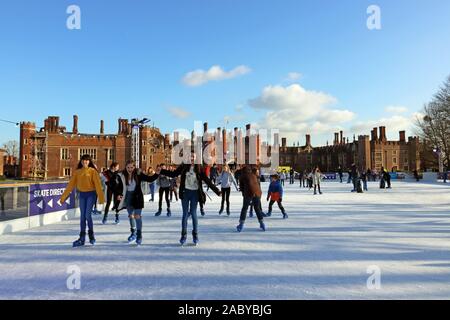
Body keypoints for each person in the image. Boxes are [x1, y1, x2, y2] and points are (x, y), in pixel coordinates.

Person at [159, 155, 221, 246]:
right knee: (184, 214)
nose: (192, 159)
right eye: (190, 157)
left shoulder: (199, 169)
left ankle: (195, 234)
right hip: (185, 193)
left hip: (194, 194)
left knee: (193, 213)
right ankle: (183, 235)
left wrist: (217, 191)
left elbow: (208, 181)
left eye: (194, 158)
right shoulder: (184, 167)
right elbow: (173, 174)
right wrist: (161, 171)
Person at [60, 154, 105, 247]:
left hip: (91, 194)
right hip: (82, 195)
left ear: (89, 162)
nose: (85, 162)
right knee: (82, 217)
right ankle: (82, 238)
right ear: (81, 161)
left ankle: (91, 235)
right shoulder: (77, 172)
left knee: (88, 215)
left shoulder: (93, 171)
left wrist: (101, 198)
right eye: (84, 160)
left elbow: (98, 185)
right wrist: (63, 197)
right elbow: (70, 185)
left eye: (87, 160)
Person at [115, 160, 160, 246]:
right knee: (131, 216)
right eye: (128, 167)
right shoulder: (122, 175)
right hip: (128, 197)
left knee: (137, 216)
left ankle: (139, 234)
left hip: (137, 197)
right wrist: (119, 194)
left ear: (134, 167)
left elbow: (149, 179)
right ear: (125, 167)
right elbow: (119, 187)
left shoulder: (138, 174)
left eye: (131, 167)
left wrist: (157, 174)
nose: (130, 169)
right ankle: (133, 232)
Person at [237, 165, 266, 232]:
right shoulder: (253, 175)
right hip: (257, 193)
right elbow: (256, 185)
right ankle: (262, 223)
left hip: (248, 193)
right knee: (257, 208)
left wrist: (243, 194)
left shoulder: (242, 176)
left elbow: (242, 187)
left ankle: (241, 224)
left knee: (244, 208)